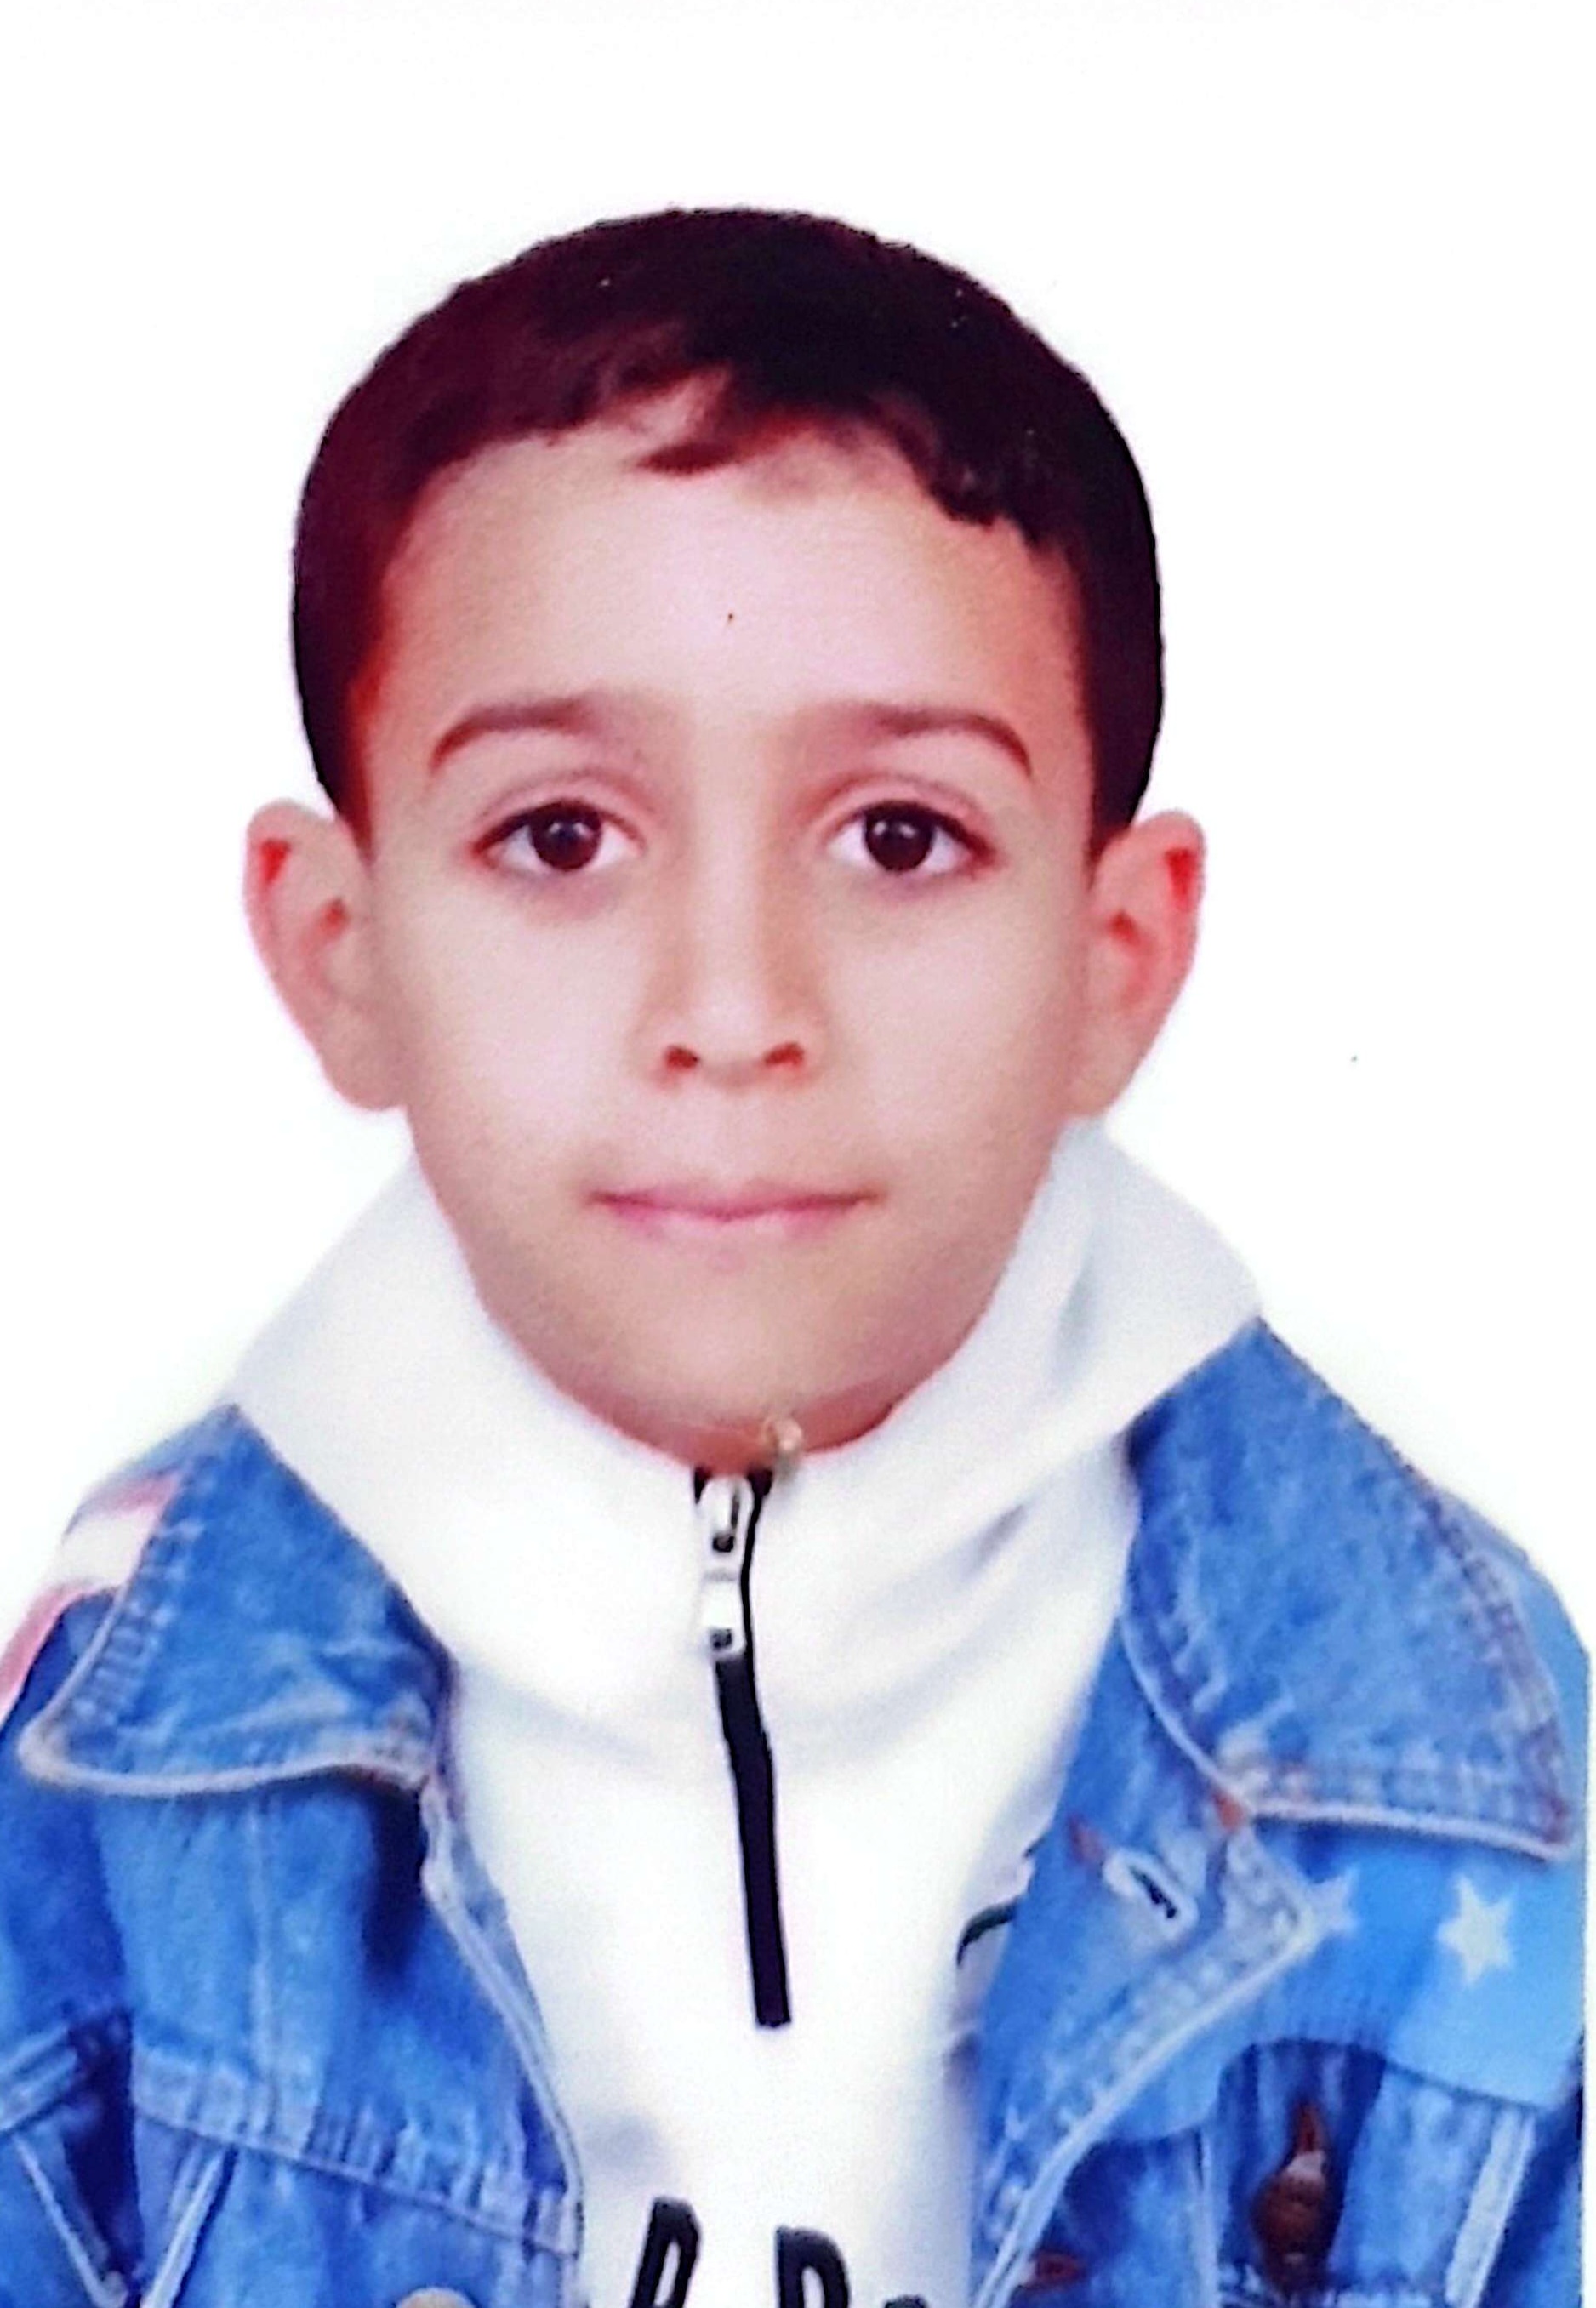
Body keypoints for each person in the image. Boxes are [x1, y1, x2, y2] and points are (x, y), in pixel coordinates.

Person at [0, 208, 1581, 2308]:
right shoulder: (114, 1740)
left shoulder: (1450, 1751)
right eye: (560, 836)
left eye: (899, 837)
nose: (734, 1008)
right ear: (340, 949)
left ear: (1112, 958)